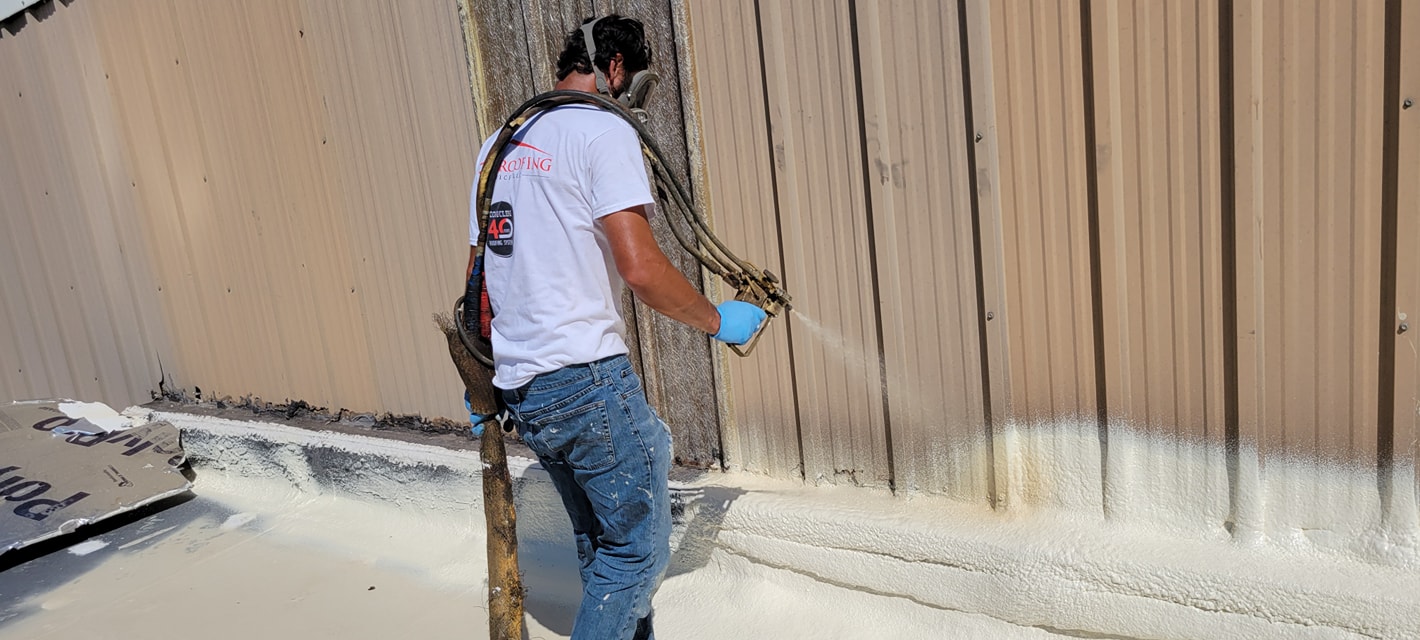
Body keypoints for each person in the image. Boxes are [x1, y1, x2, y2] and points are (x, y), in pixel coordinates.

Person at [464, 14, 766, 640]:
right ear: (617, 69)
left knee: (603, 552)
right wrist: (717, 320)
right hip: (587, 381)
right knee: (635, 556)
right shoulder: (602, 129)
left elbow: (481, 278)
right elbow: (640, 266)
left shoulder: (500, 143)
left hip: (527, 389)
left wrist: (484, 378)